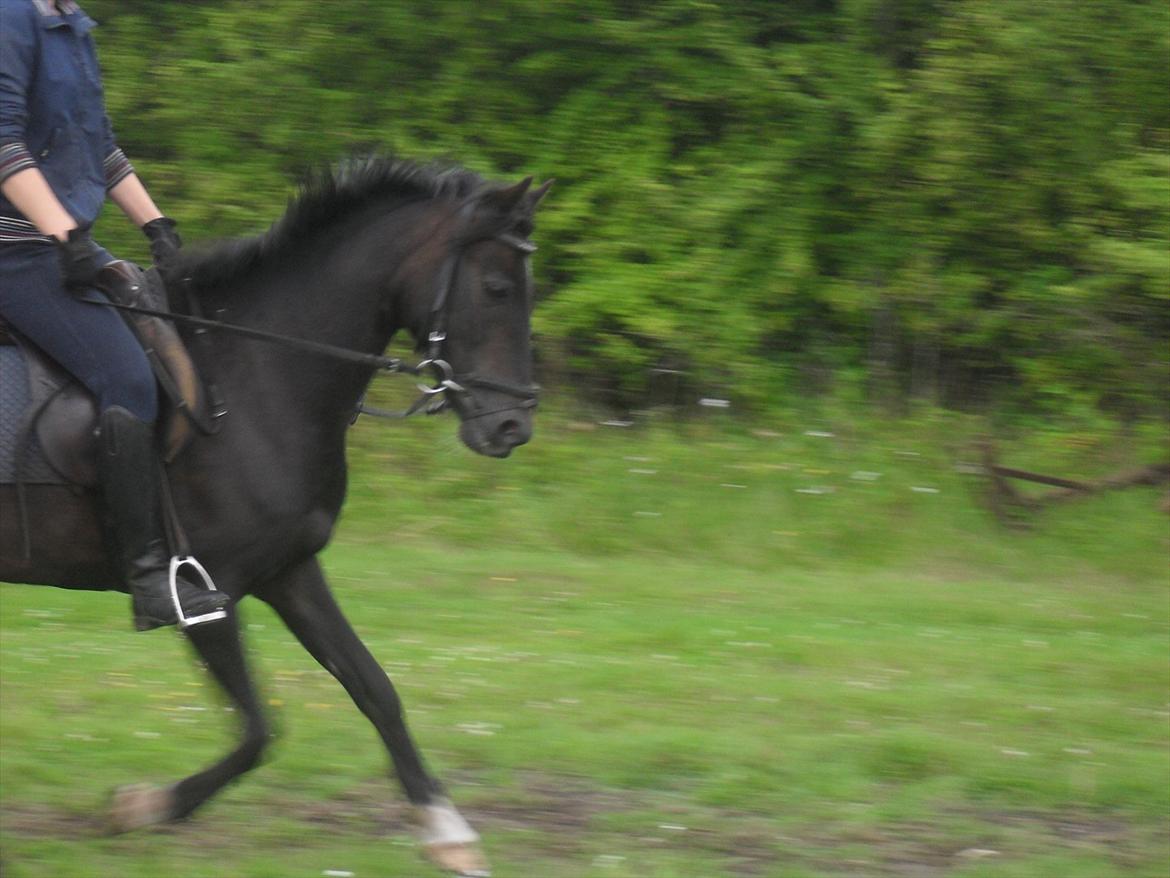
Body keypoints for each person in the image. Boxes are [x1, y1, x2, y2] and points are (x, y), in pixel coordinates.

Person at [0, 0, 229, 629]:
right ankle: (150, 576)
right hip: (14, 248)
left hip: (61, 241)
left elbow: (98, 144)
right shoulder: (12, 18)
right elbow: (3, 141)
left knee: (169, 346)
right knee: (125, 378)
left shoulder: (72, 27)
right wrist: (65, 237)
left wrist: (154, 223)